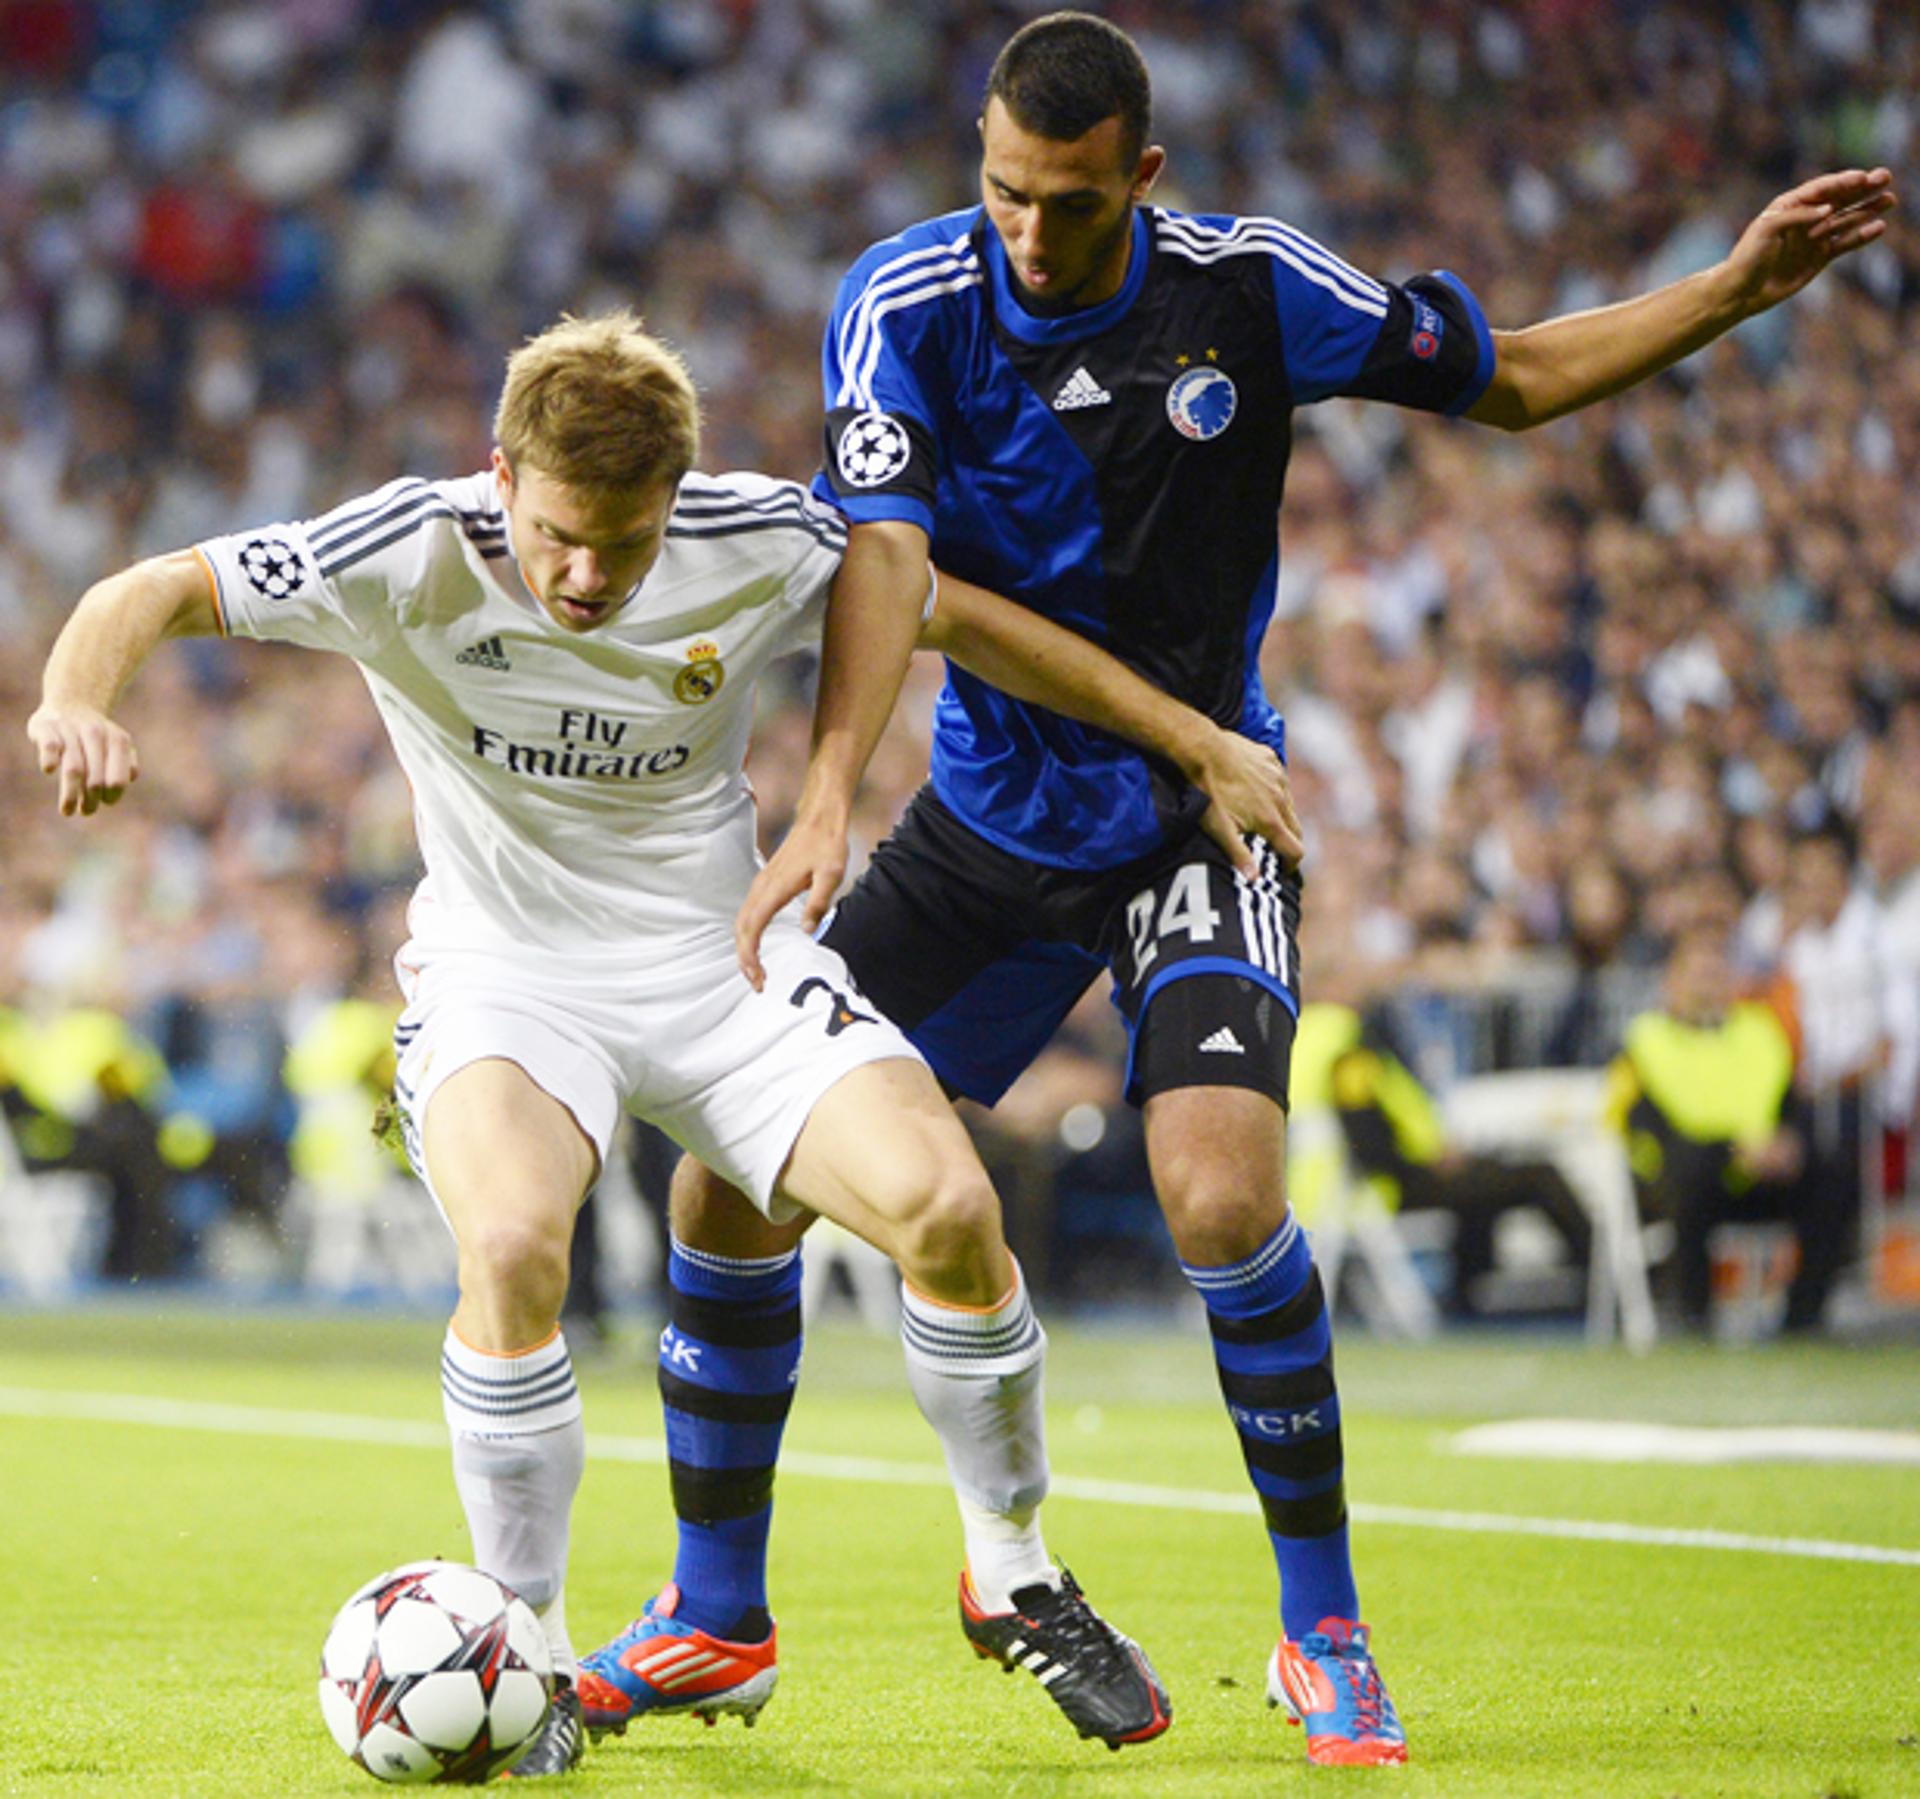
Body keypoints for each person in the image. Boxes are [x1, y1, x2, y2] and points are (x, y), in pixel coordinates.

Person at [650, 11, 1897, 1769]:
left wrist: (1735, 290)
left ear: (1142, 181)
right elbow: (901, 572)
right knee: (726, 1186)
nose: (1027, 237)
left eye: (1069, 207)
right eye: (1003, 193)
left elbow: (1519, 379)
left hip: (1193, 831)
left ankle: (1324, 1635)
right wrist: (833, 795)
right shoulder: (906, 304)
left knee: (1224, 1205)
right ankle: (716, 1612)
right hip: (989, 832)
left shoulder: (1247, 292)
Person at [27, 311, 1300, 1774]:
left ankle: (1008, 1567)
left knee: (951, 1214)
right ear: (499, 475)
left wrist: (1191, 739)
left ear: (673, 503)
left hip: (720, 966)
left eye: (623, 548)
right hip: (507, 978)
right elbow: (148, 587)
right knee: (512, 1245)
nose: (588, 576)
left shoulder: (755, 536)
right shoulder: (402, 547)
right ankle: (536, 1648)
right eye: (563, 536)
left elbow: (971, 624)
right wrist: (75, 697)